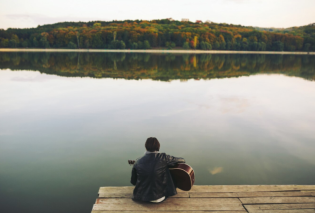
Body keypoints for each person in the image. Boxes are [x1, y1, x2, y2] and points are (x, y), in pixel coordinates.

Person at [130, 137, 185, 203]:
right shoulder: (164, 157)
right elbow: (182, 160)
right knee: (167, 167)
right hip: (161, 197)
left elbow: (133, 182)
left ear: (146, 147)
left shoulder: (138, 162)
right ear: (158, 146)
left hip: (142, 198)